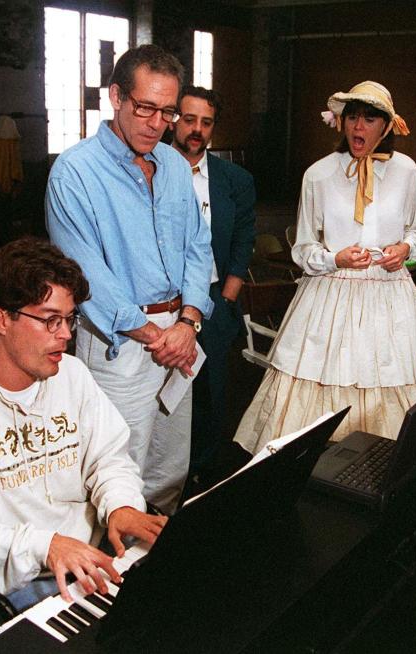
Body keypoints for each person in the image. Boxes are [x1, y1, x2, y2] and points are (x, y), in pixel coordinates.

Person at [0, 238, 165, 610]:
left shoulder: (73, 375)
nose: (65, 334)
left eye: (69, 319)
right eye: (50, 320)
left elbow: (109, 458)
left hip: (93, 557)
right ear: (1, 319)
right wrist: (45, 547)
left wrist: (121, 505)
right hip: (21, 583)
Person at [233, 81, 416, 458]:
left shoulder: (406, 171)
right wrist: (334, 259)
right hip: (330, 294)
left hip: (387, 293)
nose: (358, 126)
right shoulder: (318, 175)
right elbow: (303, 248)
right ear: (340, 122)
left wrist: (404, 249)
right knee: (319, 383)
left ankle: (380, 467)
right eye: (352, 117)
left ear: (386, 126)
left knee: (388, 377)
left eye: (369, 118)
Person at [46, 45, 213, 514]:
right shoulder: (75, 172)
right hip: (120, 343)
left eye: (167, 112)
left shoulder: (176, 167)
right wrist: (157, 334)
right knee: (116, 473)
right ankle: (112, 578)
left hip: (179, 337)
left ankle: (153, 574)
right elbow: (84, 276)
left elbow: (198, 249)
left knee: (169, 471)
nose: (156, 124)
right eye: (145, 108)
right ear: (115, 96)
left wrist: (188, 323)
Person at [168, 86, 256, 481]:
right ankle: (164, 474)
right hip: (164, 305)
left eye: (206, 122)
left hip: (214, 301)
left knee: (210, 392)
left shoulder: (234, 180)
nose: (196, 130)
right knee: (166, 392)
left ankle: (202, 472)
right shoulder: (150, 168)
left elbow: (243, 239)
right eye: (189, 119)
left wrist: (226, 298)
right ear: (174, 119)